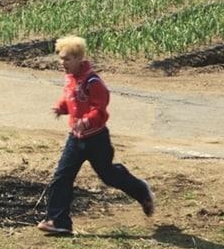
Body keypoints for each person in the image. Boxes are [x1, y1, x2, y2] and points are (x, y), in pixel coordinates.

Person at [39, 35, 154, 236]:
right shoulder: (71, 79)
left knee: (108, 175)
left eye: (66, 59)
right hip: (75, 138)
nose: (62, 63)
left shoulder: (93, 81)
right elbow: (72, 101)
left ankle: (141, 191)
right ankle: (59, 221)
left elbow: (99, 109)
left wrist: (87, 120)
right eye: (60, 59)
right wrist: (61, 108)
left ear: (78, 58)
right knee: (62, 177)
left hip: (96, 139)